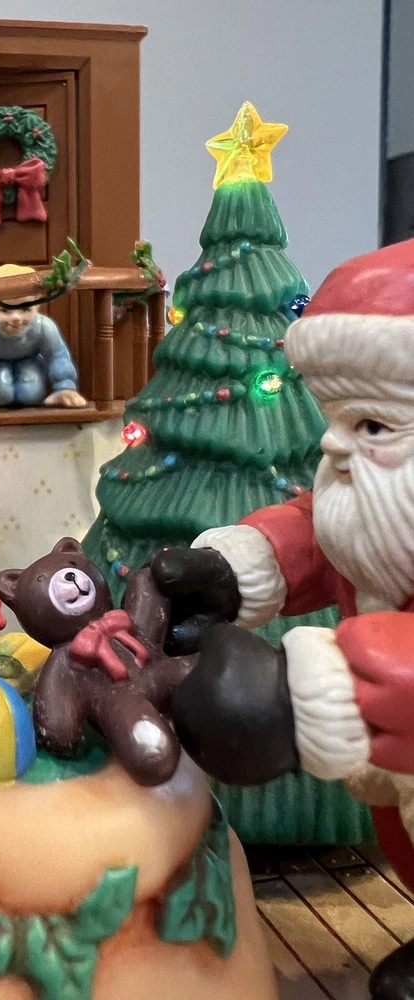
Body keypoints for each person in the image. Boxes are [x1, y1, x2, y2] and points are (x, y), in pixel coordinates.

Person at [151, 239, 414, 998]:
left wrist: (304, 698)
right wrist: (232, 570)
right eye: (336, 419)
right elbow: (324, 537)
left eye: (372, 426)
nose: (332, 442)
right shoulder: (382, 511)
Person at [0, 263, 87, 408]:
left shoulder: (44, 326)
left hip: (29, 362)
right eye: (5, 310)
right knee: (1, 394)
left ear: (37, 305)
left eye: (25, 309)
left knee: (32, 395)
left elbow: (58, 355)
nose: (16, 318)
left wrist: (65, 386)